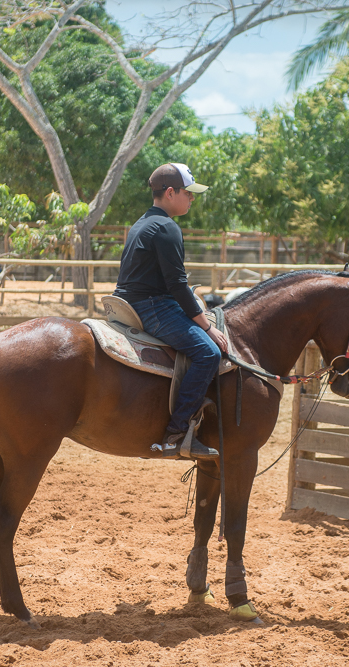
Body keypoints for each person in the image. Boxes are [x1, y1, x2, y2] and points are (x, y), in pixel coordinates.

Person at [113, 163, 228, 460]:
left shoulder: (141, 223)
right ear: (169, 192)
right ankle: (176, 435)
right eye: (188, 193)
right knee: (209, 353)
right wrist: (206, 327)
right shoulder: (167, 228)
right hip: (153, 306)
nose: (192, 199)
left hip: (129, 301)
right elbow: (177, 286)